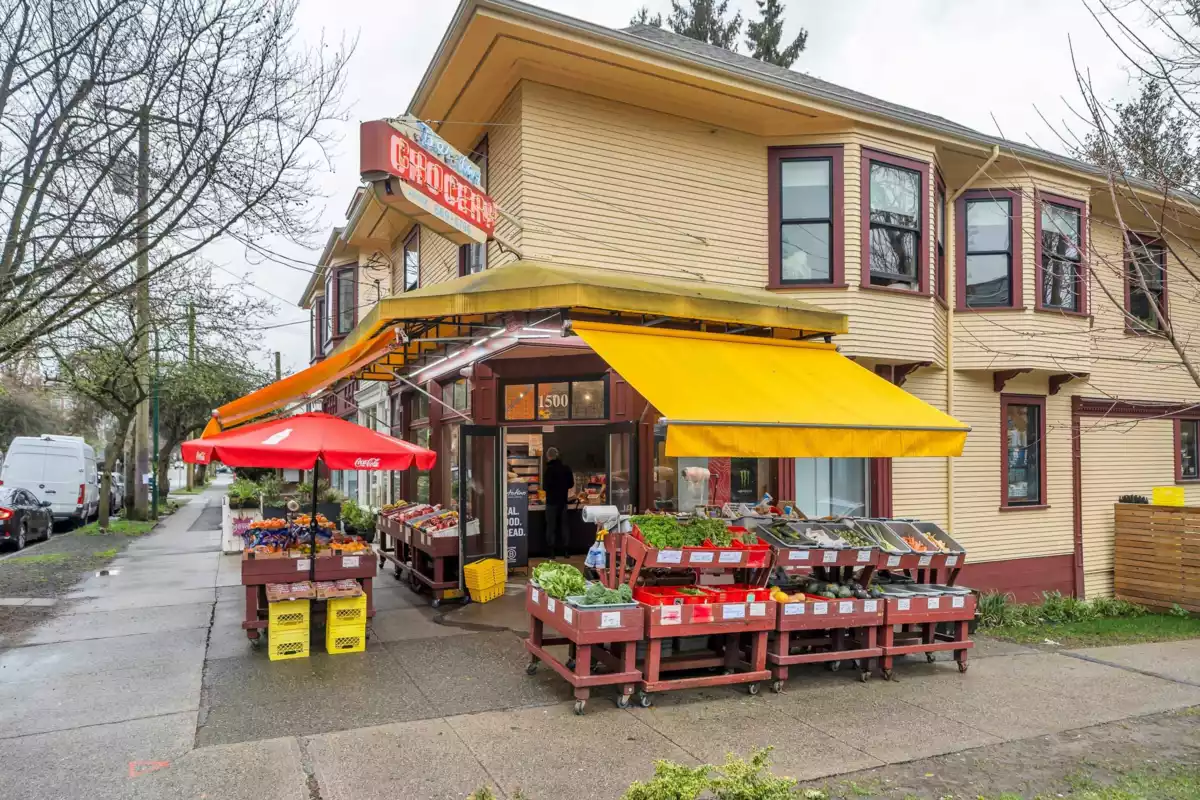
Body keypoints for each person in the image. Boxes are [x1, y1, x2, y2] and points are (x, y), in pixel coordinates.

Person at [543, 447, 574, 558]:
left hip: (551, 502)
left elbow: (545, 487)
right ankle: (566, 551)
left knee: (551, 527)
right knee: (564, 526)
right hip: (563, 502)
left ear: (549, 457)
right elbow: (571, 484)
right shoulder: (566, 469)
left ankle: (551, 552)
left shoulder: (548, 470)